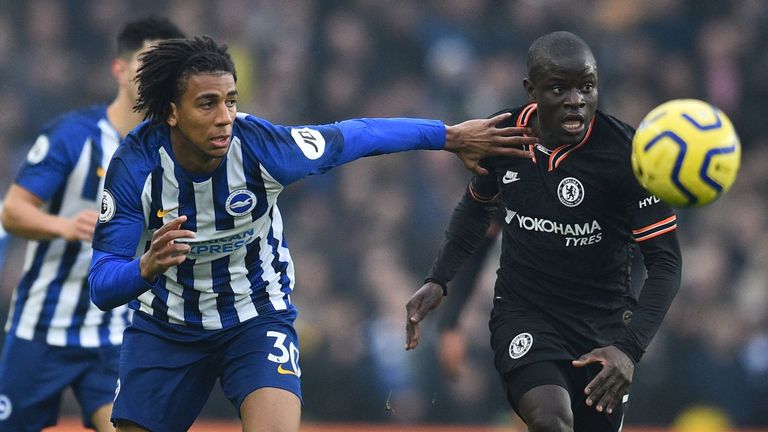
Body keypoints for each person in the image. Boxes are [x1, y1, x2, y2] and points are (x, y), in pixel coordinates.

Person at [86, 35, 537, 432]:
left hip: (255, 317)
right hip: (167, 328)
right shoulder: (134, 168)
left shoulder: (264, 148)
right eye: (207, 104)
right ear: (171, 112)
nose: (225, 116)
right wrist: (144, 267)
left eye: (231, 100)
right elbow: (102, 285)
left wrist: (449, 135)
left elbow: (358, 136)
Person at [405, 31, 682, 432]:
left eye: (587, 87)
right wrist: (439, 278)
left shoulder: (628, 157)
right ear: (530, 90)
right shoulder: (503, 135)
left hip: (603, 332)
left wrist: (629, 349)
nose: (576, 100)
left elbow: (666, 263)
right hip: (524, 316)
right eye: (559, 88)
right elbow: (476, 209)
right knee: (551, 420)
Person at [0, 17, 184, 432]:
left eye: (169, 72)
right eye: (147, 65)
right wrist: (64, 227)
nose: (157, 78)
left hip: (114, 330)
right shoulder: (73, 136)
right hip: (42, 326)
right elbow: (12, 211)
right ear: (119, 70)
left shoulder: (175, 151)